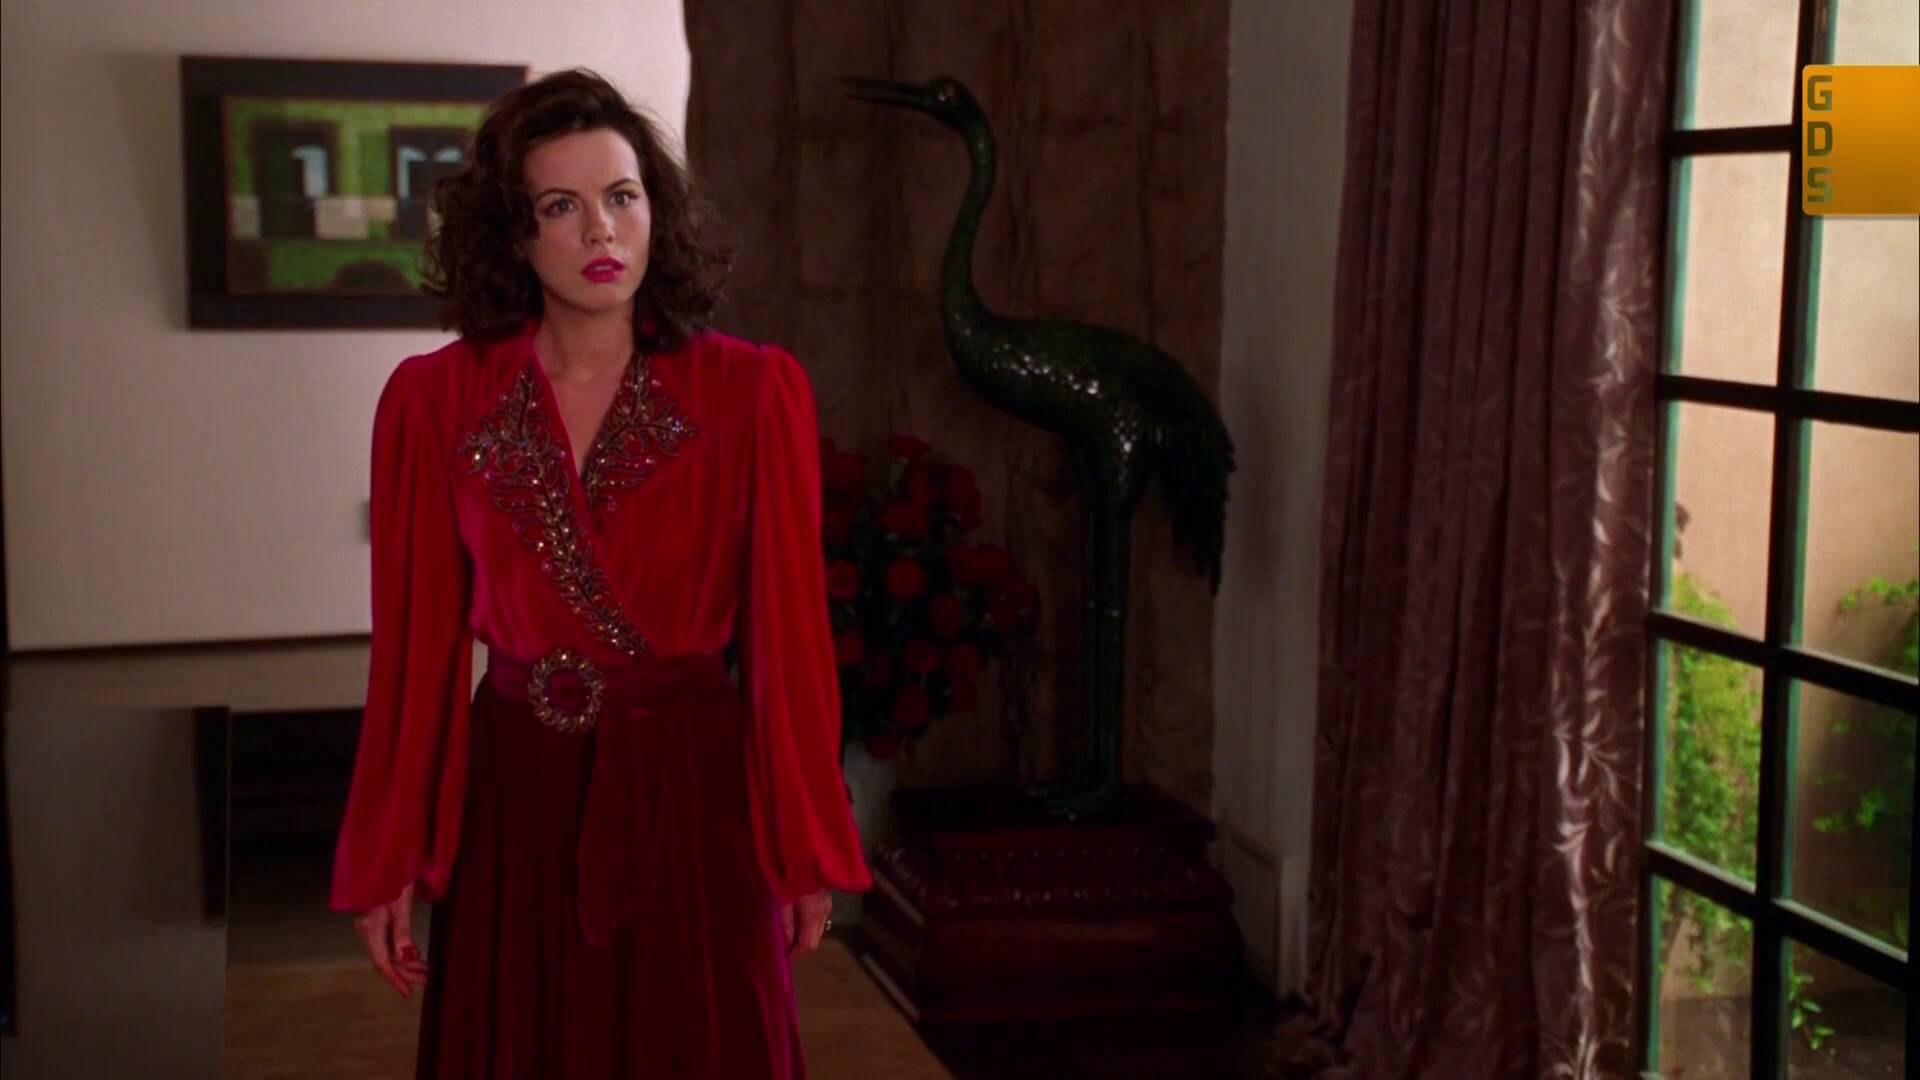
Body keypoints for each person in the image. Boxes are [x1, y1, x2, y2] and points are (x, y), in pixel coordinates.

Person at [328, 68, 873, 1078]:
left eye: (622, 196)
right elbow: (412, 653)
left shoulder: (750, 392)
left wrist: (801, 846)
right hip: (519, 794)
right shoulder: (433, 401)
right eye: (560, 207)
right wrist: (388, 855)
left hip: (693, 791)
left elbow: (789, 645)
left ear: (657, 210)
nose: (600, 231)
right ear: (513, 232)